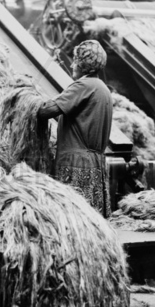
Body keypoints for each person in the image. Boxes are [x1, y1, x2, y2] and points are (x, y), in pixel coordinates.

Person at [37, 39, 112, 217]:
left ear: (82, 64)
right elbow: (79, 119)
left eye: (75, 60)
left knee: (71, 220)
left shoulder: (83, 86)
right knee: (89, 221)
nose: (71, 64)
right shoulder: (103, 89)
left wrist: (29, 96)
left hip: (75, 164)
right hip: (94, 164)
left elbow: (45, 111)